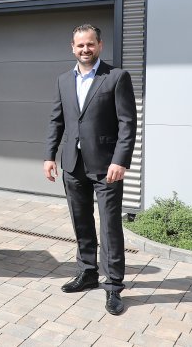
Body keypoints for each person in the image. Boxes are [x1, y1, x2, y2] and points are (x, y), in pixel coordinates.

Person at [44, 24, 136, 316]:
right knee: (81, 220)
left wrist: (120, 160)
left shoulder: (116, 77)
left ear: (100, 45)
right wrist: (49, 156)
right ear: (72, 47)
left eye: (90, 44)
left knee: (110, 226)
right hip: (72, 163)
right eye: (80, 45)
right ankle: (87, 272)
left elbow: (127, 123)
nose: (85, 49)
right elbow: (56, 120)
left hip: (106, 165)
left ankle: (113, 286)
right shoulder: (63, 80)